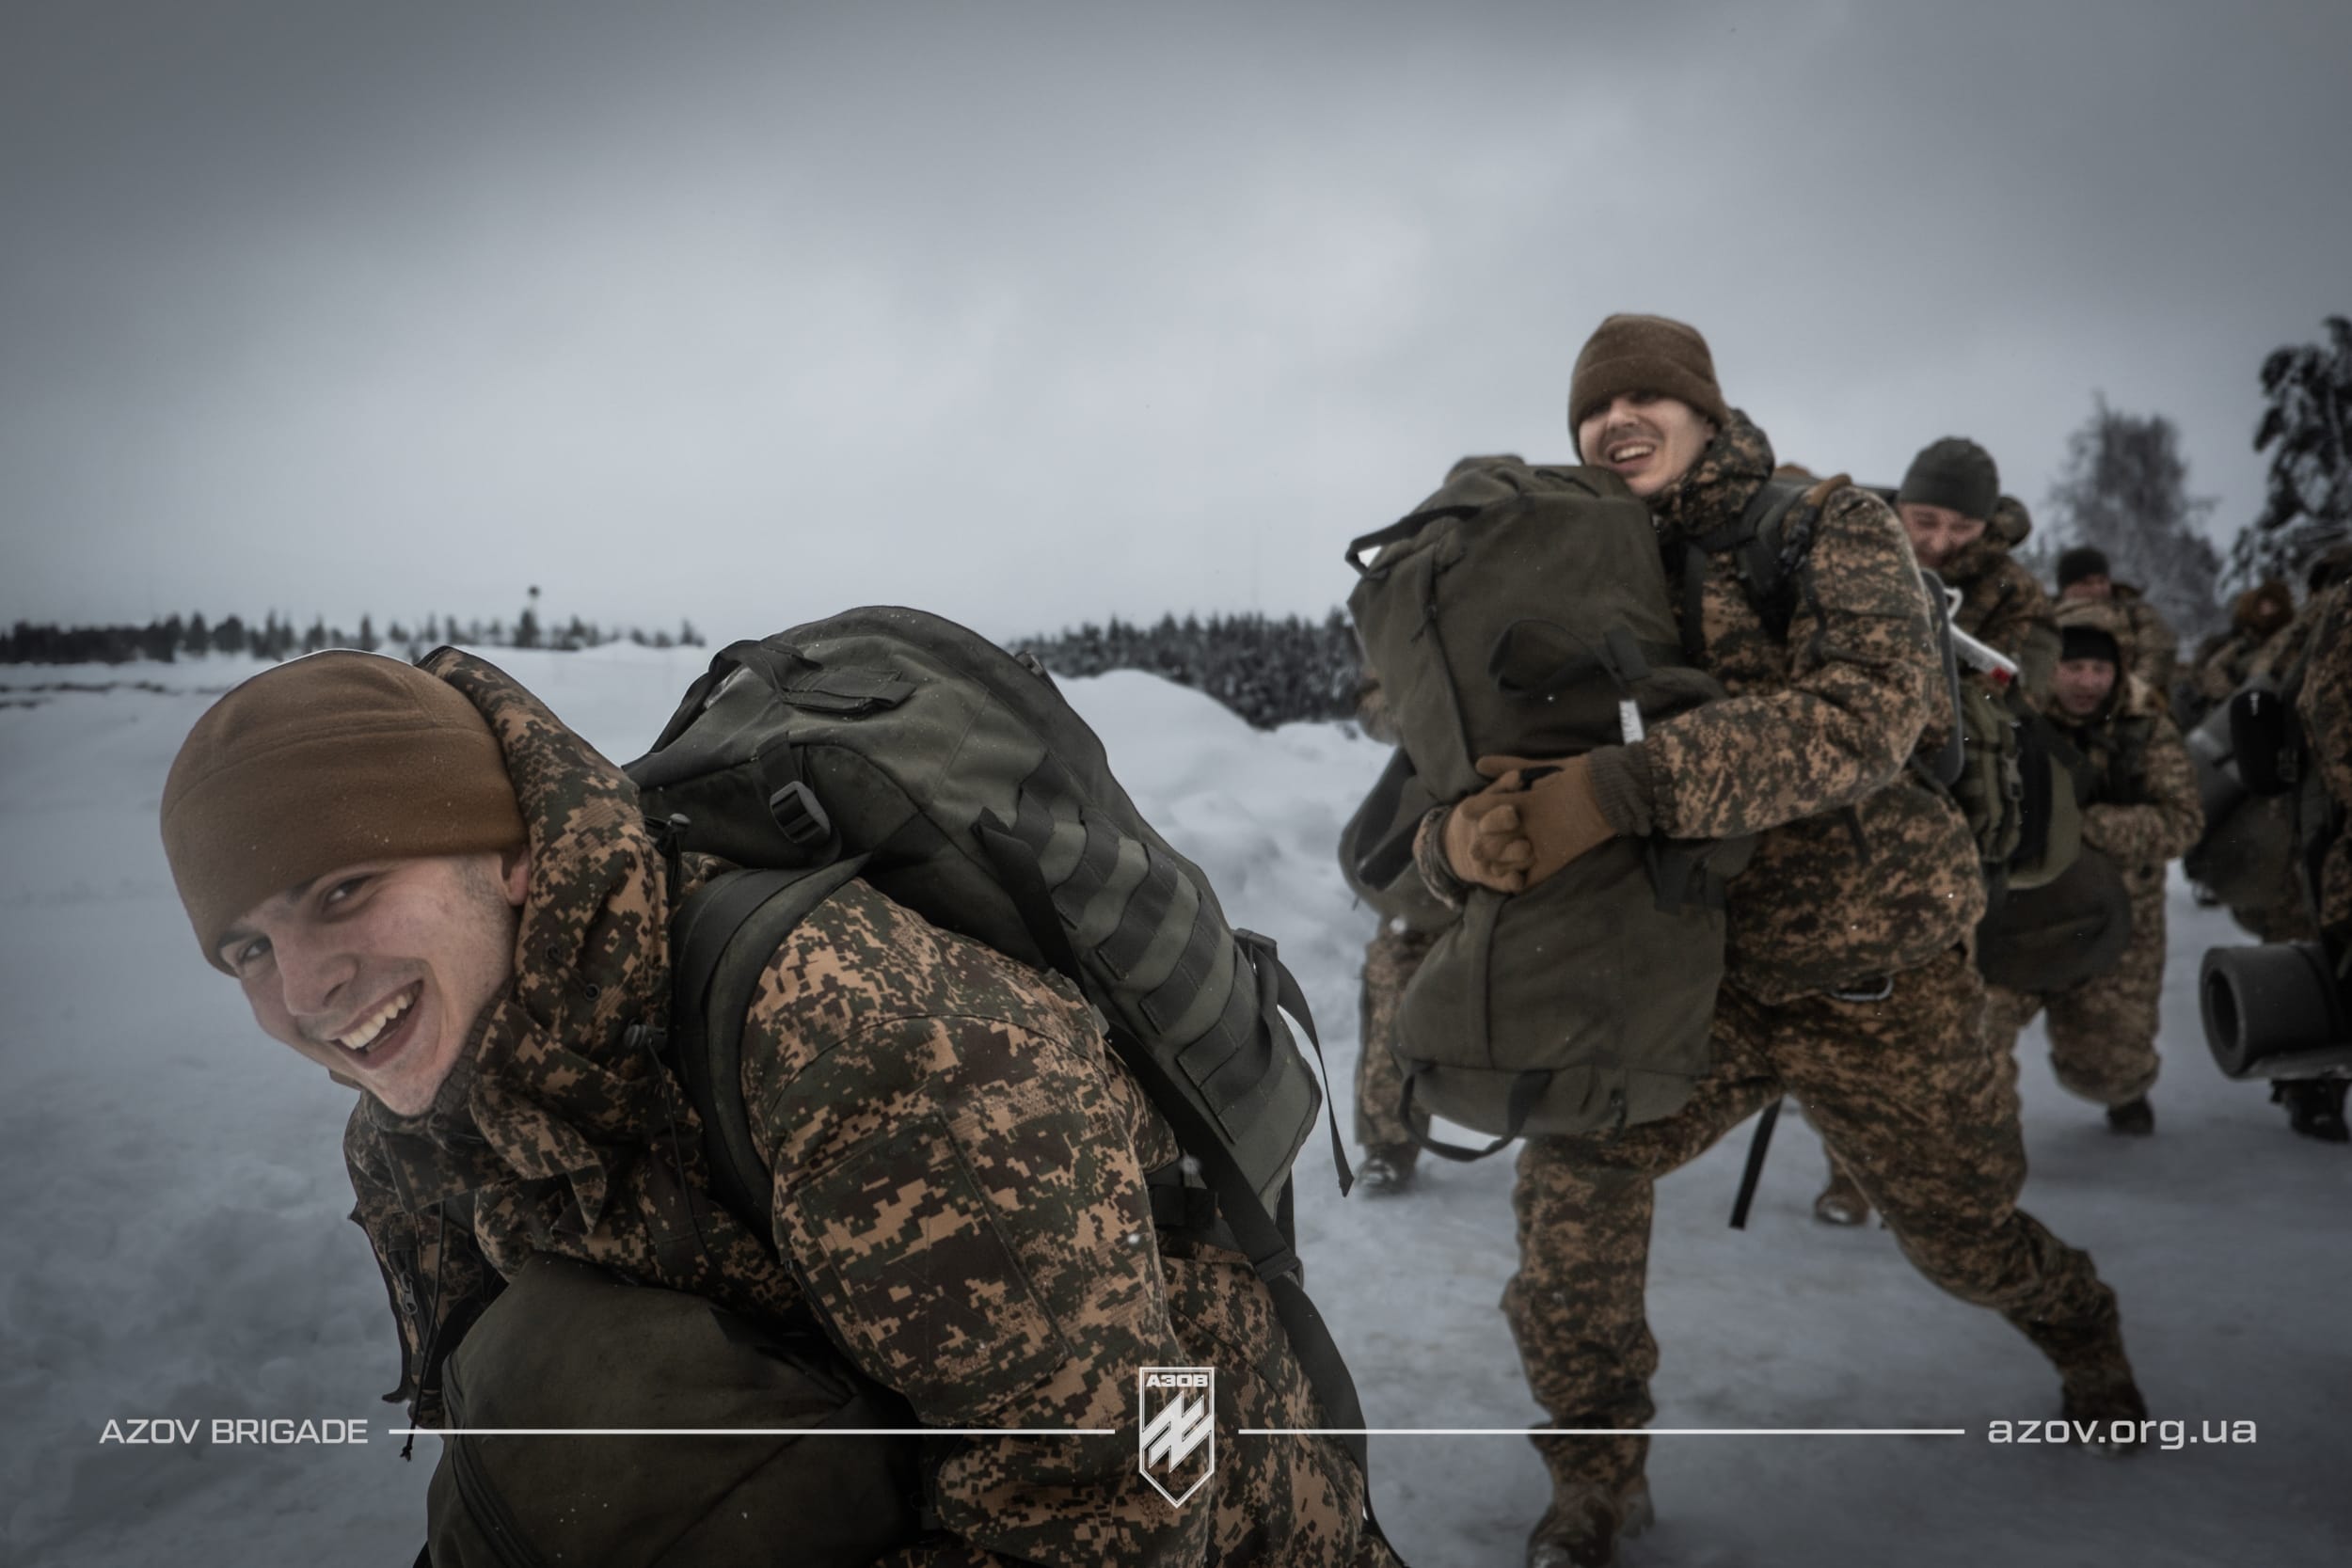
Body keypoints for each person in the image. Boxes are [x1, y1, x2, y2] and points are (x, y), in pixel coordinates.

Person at [160, 649, 1394, 1566]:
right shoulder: (418, 1115)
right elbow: (515, 1461)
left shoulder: (865, 1044)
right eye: (245, 948)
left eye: (344, 888)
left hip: (1200, 1471)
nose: (307, 987)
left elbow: (1123, 1498)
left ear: (509, 853)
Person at [1417, 314, 2143, 1567]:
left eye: (1649, 394)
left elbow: (1865, 715)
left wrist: (1623, 788)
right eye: (1594, 406)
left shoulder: (1821, 523)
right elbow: (1481, 769)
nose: (1616, 420)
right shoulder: (1579, 565)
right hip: (1700, 991)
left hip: (1882, 982)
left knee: (1966, 1240)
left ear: (1704, 407)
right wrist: (1457, 843)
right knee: (1576, 1168)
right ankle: (1594, 1475)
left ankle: (2084, 1328)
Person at [1813, 439, 2060, 1225]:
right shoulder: (1848, 545)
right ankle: (1853, 1178)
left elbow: (2029, 688)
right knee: (1854, 999)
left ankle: (1962, 1188)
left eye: (1963, 527)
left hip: (1962, 820)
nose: (1943, 542)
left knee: (1953, 1013)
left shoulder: (2011, 590)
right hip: (1853, 811)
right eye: (1926, 520)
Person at [1981, 600, 2202, 1133]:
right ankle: (1980, 1140)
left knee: (2107, 1071)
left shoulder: (2146, 728)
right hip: (2015, 912)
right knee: (1969, 1038)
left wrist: (2082, 825)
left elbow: (2183, 823)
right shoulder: (2009, 718)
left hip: (2116, 916)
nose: (2086, 681)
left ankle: (2124, 1090)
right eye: (2073, 667)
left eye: (2099, 669)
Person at [2056, 546, 2179, 713]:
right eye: (2086, 583)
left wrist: (2127, 692)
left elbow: (2158, 652)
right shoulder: (2046, 616)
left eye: (2102, 581)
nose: (2097, 589)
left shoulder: (2135, 613)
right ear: (2066, 588)